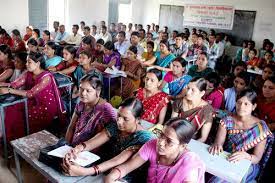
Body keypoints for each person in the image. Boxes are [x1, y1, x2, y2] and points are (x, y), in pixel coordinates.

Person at [62, 98, 154, 183]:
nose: (119, 121)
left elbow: (116, 161)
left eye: (125, 119)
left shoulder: (143, 138)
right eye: (118, 115)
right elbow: (97, 139)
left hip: (123, 177)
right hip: (105, 170)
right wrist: (78, 149)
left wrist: (85, 171)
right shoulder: (116, 126)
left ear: (138, 120)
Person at [105, 118, 206, 183]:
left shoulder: (189, 164)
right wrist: (111, 176)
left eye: (169, 141)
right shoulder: (152, 145)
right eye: (161, 135)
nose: (161, 142)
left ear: (182, 146)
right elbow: (127, 167)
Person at [209, 89, 274, 183]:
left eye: (246, 104)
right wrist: (217, 146)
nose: (241, 106)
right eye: (239, 102)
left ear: (254, 106)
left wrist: (245, 156)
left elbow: (256, 158)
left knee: (223, 180)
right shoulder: (227, 121)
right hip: (227, 158)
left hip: (248, 164)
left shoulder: (260, 128)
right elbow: (218, 143)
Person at [0, 52, 65, 140]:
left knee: (19, 116)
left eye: (29, 62)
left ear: (38, 63)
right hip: (31, 101)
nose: (26, 64)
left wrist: (9, 90)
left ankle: (16, 138)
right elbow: (15, 84)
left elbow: (31, 93)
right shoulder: (28, 73)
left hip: (44, 106)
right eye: (26, 62)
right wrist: (3, 85)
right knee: (11, 108)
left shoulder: (46, 77)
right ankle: (7, 136)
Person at [65, 73, 117, 145]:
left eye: (88, 91)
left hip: (91, 151)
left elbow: (112, 133)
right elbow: (71, 127)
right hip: (74, 147)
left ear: (98, 92)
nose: (83, 93)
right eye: (81, 89)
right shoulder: (81, 104)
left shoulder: (106, 109)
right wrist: (66, 145)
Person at [171, 77, 213, 142]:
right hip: (174, 137)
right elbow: (171, 124)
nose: (188, 92)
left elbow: (203, 138)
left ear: (202, 93)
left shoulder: (207, 110)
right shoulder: (179, 102)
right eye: (188, 88)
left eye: (193, 90)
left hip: (192, 142)